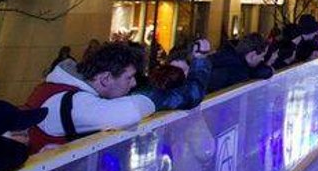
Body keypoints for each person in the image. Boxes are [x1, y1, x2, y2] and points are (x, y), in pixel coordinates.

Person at [24, 41, 209, 154]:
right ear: (105, 79)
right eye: (128, 78)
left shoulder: (56, 89)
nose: (134, 83)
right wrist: (199, 63)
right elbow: (130, 111)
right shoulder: (79, 105)